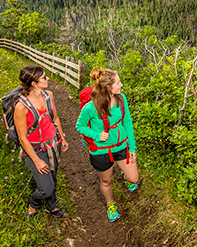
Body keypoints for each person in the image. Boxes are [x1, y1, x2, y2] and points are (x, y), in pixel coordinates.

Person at [76, 68, 139, 222]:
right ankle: (110, 205)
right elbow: (80, 126)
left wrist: (132, 147)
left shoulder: (121, 99)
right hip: (101, 151)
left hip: (122, 146)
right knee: (106, 181)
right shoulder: (90, 107)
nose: (121, 85)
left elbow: (127, 123)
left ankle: (125, 175)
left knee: (134, 179)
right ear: (109, 88)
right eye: (118, 83)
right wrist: (96, 135)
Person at [14, 65, 69, 218]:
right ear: (33, 83)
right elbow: (22, 138)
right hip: (35, 148)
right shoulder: (21, 107)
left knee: (53, 176)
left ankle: (51, 206)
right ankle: (34, 203)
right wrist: (37, 161)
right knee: (46, 187)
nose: (47, 79)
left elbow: (55, 118)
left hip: (53, 143)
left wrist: (62, 137)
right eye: (44, 77)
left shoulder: (48, 95)